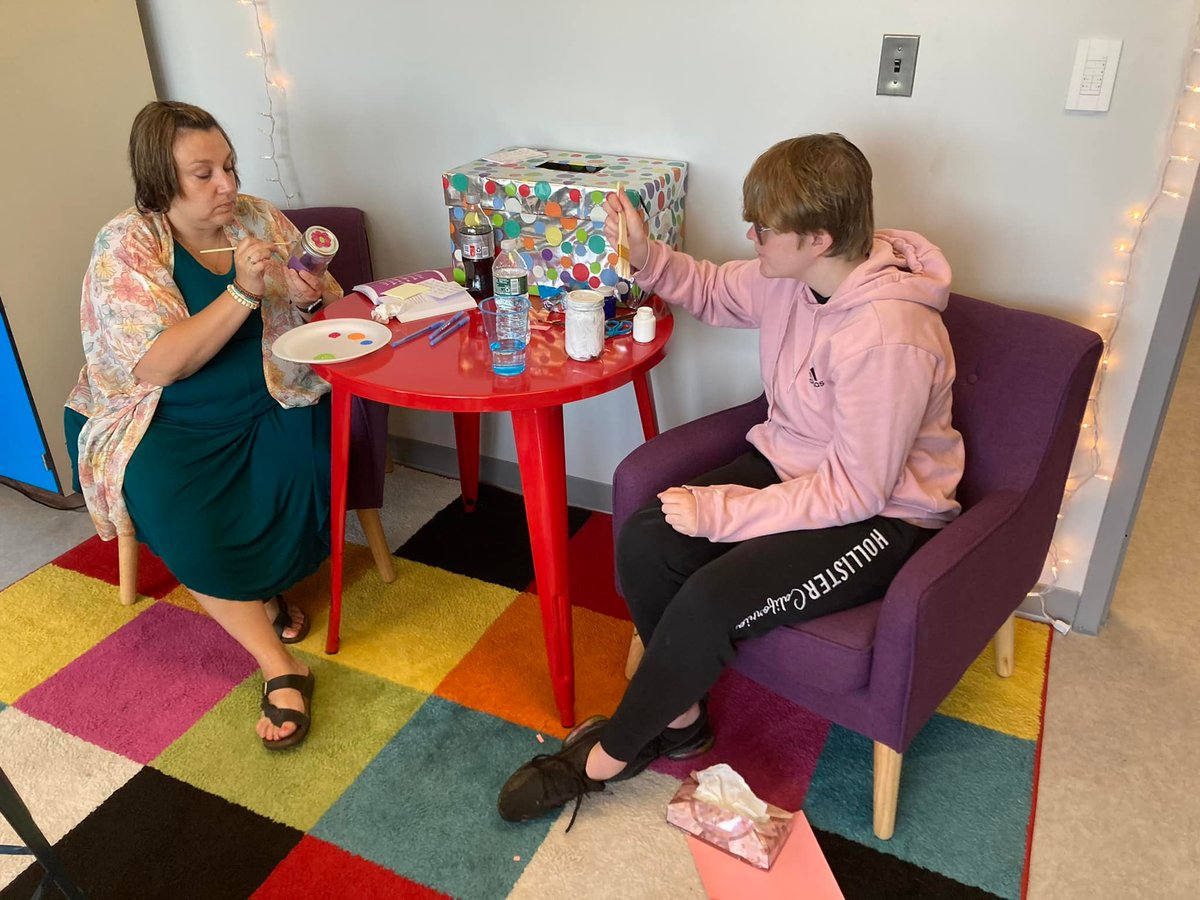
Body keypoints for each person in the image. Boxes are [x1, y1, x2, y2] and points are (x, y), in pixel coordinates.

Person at [497, 133, 965, 826]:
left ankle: (613, 753)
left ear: (819, 238)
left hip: (882, 515)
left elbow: (855, 493)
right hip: (798, 465)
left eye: (765, 229)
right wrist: (647, 256)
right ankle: (682, 717)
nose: (751, 237)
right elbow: (716, 290)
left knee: (711, 597)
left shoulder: (889, 338)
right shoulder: (796, 277)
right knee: (647, 535)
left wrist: (725, 513)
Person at [64, 100, 340, 750]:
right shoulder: (126, 245)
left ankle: (265, 588)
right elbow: (159, 366)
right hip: (169, 414)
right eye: (204, 173)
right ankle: (279, 663)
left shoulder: (256, 218)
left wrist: (310, 291)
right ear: (161, 181)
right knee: (177, 501)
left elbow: (326, 297)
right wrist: (242, 292)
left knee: (316, 461)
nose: (228, 185)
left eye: (230, 166)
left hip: (276, 390)